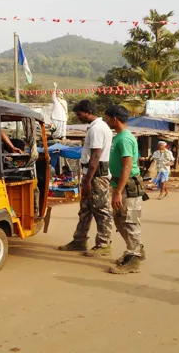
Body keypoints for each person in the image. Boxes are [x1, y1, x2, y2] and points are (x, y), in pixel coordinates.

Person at [59, 100, 113, 257]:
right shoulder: (96, 127)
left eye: (79, 114)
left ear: (88, 112)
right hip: (91, 173)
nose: (78, 117)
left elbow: (96, 155)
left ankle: (104, 244)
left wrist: (88, 179)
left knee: (101, 210)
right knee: (85, 210)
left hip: (96, 175)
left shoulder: (97, 129)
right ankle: (79, 240)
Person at [104, 105, 145, 274]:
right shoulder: (118, 137)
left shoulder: (125, 139)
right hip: (119, 185)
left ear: (115, 118)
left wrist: (118, 192)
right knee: (120, 220)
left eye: (107, 118)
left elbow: (127, 167)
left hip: (129, 188)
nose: (106, 121)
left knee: (131, 221)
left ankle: (133, 258)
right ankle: (134, 250)